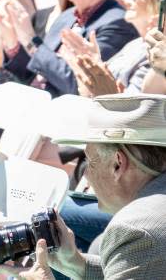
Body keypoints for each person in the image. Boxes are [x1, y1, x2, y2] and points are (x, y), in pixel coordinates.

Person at [23, 94, 166, 280]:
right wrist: (74, 263)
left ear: (117, 164)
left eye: (90, 162)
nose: (86, 176)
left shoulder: (135, 227)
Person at [0, 0, 138, 95]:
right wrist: (12, 42)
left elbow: (79, 85)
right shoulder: (67, 16)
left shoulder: (119, 23)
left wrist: (31, 40)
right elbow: (32, 71)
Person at [66, 0, 166, 97]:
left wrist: (109, 96)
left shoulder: (157, 54)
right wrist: (90, 63)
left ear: (159, 4)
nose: (126, 0)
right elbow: (90, 94)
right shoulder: (134, 44)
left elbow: (141, 110)